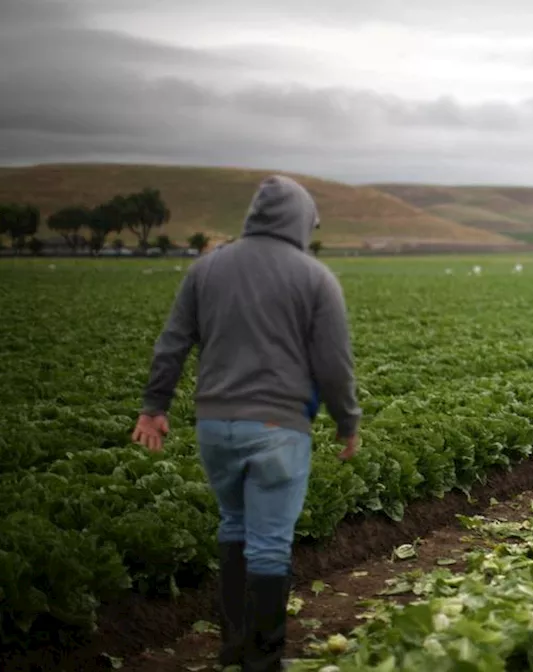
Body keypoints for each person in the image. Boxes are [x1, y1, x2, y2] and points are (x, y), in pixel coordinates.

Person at [132, 175, 362, 672]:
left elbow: (172, 343)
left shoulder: (206, 269)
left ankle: (234, 645)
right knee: (270, 542)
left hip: (214, 425)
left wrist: (154, 407)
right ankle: (263, 660)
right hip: (278, 427)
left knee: (234, 524)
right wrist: (347, 421)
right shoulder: (314, 277)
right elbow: (333, 364)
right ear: (301, 221)